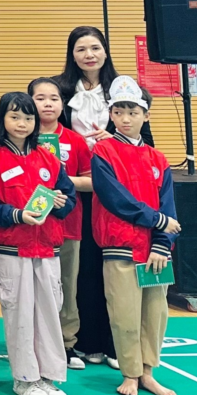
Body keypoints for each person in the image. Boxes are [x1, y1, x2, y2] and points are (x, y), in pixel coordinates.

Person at [0, 92, 75, 395]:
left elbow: (69, 198)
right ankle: (24, 379)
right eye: (15, 116)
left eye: (28, 117)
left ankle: (48, 377)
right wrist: (16, 214)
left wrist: (60, 203)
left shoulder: (49, 158)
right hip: (12, 250)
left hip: (48, 249)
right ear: (2, 120)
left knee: (49, 314)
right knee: (19, 315)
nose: (22, 123)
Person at [91, 78, 180, 395]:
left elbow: (168, 206)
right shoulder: (103, 152)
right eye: (118, 112)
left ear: (146, 115)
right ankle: (129, 373)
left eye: (132, 112)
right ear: (111, 115)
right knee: (124, 314)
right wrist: (157, 220)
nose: (125, 119)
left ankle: (148, 373)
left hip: (155, 252)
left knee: (155, 315)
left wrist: (162, 243)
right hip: (120, 247)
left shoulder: (158, 159)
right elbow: (115, 199)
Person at [55, 25, 133, 368]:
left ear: (105, 51)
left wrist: (115, 138)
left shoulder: (124, 90)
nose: (89, 55)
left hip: (113, 190)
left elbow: (144, 139)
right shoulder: (60, 90)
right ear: (72, 55)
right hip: (77, 189)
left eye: (95, 48)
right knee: (82, 267)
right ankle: (85, 341)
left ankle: (115, 342)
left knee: (113, 265)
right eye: (81, 49)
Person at [29, 76, 92, 369]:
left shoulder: (75, 141)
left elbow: (92, 182)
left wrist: (62, 179)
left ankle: (66, 343)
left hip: (68, 226)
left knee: (66, 285)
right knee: (31, 289)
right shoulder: (21, 140)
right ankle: (32, 343)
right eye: (40, 98)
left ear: (62, 103)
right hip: (30, 227)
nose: (48, 104)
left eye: (54, 98)